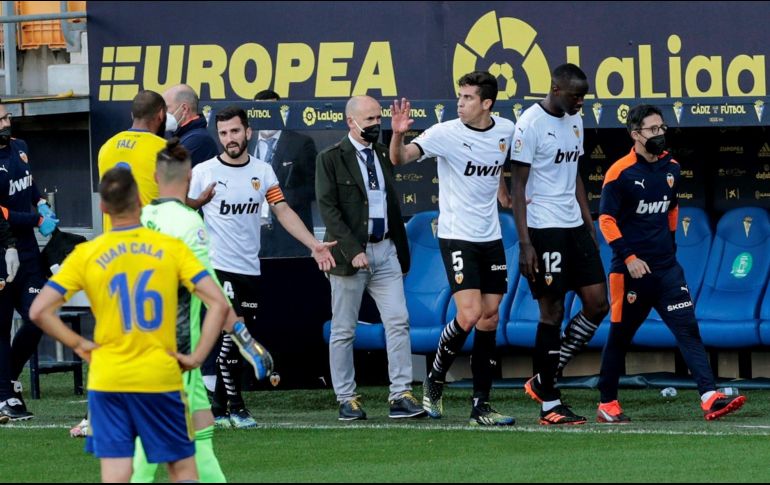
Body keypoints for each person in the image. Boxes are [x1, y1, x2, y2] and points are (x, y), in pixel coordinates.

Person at [29, 167, 229, 483]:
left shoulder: (87, 253)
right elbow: (218, 302)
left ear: (103, 207)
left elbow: (39, 311)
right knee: (182, 470)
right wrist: (196, 357)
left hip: (108, 377)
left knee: (118, 474)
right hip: (160, 375)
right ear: (139, 201)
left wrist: (80, 344)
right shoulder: (170, 248)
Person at [132, 138, 274, 482]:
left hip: (143, 345)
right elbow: (213, 295)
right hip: (174, 352)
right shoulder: (187, 225)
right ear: (189, 178)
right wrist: (244, 340)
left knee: (201, 437)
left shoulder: (140, 219)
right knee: (154, 441)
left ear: (155, 177)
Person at [596, 104, 746, 423]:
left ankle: (709, 396)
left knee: (687, 328)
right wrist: (630, 257)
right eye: (653, 129)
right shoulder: (619, 173)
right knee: (620, 335)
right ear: (635, 134)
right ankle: (607, 403)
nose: (660, 134)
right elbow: (606, 220)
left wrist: (671, 245)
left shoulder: (672, 167)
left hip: (666, 269)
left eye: (662, 128)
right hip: (630, 272)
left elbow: (672, 208)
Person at [189, 106, 335, 428]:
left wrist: (313, 244)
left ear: (248, 132)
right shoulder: (204, 172)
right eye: (223, 133)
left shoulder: (263, 171)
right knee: (235, 334)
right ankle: (238, 408)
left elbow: (281, 210)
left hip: (250, 268)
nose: (229, 138)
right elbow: (180, 207)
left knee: (238, 336)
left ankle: (218, 409)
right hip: (217, 267)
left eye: (235, 131)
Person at [390, 73, 515, 426]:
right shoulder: (444, 133)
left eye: (468, 98)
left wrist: (504, 195)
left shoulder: (506, 130)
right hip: (457, 235)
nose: (460, 103)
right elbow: (400, 159)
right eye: (459, 96)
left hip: (491, 236)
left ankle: (481, 405)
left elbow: (497, 164)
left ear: (487, 103)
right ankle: (435, 379)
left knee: (490, 316)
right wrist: (398, 134)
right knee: (470, 314)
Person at [510, 63, 609, 425]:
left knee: (598, 304)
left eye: (584, 96)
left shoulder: (575, 119)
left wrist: (588, 220)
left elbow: (575, 173)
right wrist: (525, 244)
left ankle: (543, 377)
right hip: (543, 228)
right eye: (575, 96)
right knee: (551, 313)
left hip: (574, 225)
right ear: (555, 89)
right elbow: (518, 188)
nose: (581, 102)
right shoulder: (530, 124)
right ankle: (549, 403)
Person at [317, 95, 425, 421]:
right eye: (370, 120)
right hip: (349, 255)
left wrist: (398, 134)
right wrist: (354, 250)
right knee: (343, 329)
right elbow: (329, 210)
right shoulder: (330, 158)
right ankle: (346, 398)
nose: (376, 124)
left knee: (398, 320)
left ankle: (401, 394)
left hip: (386, 250)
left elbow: (396, 165)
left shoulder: (381, 152)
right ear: (350, 122)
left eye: (379, 118)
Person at [0, 101, 57, 422]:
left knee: (40, 314)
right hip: (2, 252)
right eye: (1, 119)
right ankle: (4, 396)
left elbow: (29, 184)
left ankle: (8, 378)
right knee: (1, 327)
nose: (7, 123)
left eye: (7, 116)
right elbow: (2, 214)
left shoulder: (20, 147)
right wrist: (36, 220)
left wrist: (42, 203)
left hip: (28, 251)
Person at [98, 90, 214, 232]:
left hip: (113, 239)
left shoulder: (106, 147)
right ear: (161, 114)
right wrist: (199, 202)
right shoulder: (166, 149)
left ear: (132, 115)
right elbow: (177, 200)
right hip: (151, 240)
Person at [253, 89, 317, 258]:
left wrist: (277, 199)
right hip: (252, 237)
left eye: (271, 111)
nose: (267, 116)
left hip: (290, 239)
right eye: (262, 112)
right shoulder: (243, 143)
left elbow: (314, 187)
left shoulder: (301, 144)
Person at [162, 84, 218, 167]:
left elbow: (168, 170)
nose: (162, 113)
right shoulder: (179, 135)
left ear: (184, 109)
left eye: (166, 108)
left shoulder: (198, 139)